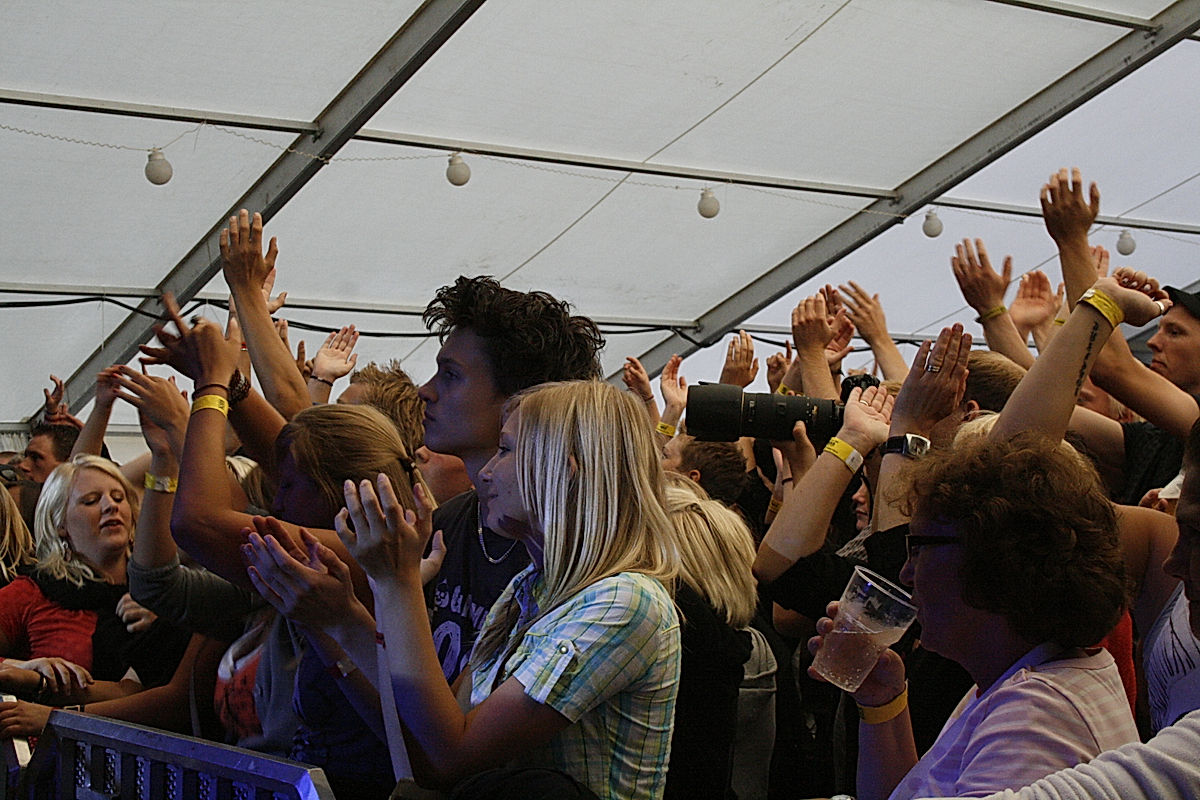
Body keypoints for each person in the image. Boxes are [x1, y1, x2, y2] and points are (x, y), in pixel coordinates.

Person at [247, 380, 680, 799]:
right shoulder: (530, 588)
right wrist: (338, 621)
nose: (486, 473)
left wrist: (397, 585)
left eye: (505, 450)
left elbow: (451, 755)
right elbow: (422, 738)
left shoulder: (623, 602)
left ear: (562, 472)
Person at [811, 430, 1138, 800]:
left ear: (996, 558)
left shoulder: (1037, 720)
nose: (905, 572)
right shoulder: (1026, 675)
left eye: (919, 548)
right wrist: (883, 701)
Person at [419, 275, 605, 682]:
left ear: (522, 399)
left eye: (450, 375)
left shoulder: (570, 555)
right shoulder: (445, 525)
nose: (425, 391)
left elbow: (459, 745)